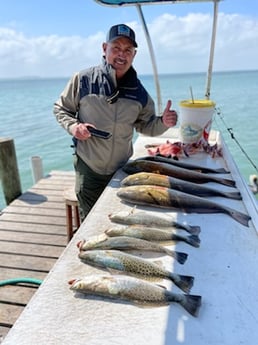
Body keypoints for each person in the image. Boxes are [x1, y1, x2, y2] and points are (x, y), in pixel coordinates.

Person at [53, 24, 178, 222]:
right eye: (116, 48)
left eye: (128, 50)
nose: (122, 54)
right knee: (90, 221)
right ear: (104, 48)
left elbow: (145, 126)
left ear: (134, 55)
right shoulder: (83, 79)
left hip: (122, 171)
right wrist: (73, 127)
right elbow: (61, 108)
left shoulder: (139, 91)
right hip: (89, 168)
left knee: (118, 220)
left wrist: (163, 122)